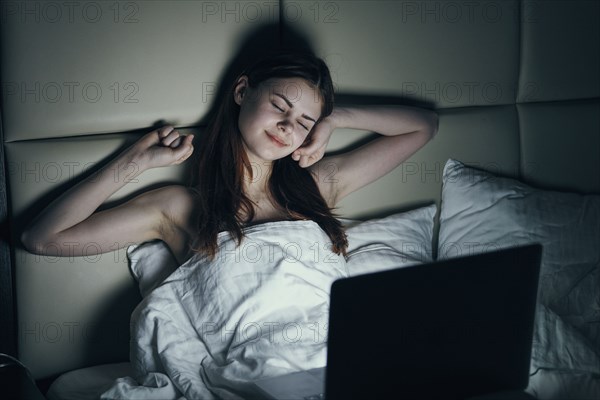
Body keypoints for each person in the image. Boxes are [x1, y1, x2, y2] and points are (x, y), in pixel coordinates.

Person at [20, 51, 438, 267]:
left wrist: (332, 119)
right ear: (242, 92)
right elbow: (42, 239)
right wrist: (134, 161)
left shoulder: (317, 184)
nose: (289, 127)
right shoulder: (179, 207)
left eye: (303, 121)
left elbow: (423, 126)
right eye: (279, 106)